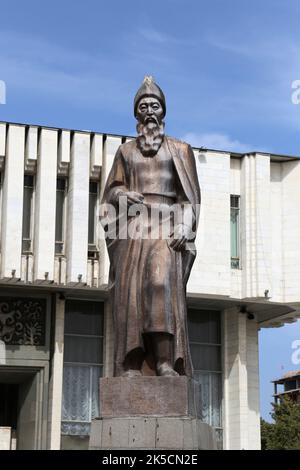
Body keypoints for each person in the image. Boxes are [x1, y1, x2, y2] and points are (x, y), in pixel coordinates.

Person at [100, 76, 200, 377]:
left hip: (166, 227)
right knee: (131, 296)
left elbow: (190, 196)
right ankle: (131, 362)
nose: (149, 111)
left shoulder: (180, 150)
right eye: (143, 106)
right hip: (134, 229)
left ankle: (165, 362)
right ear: (136, 114)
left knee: (160, 286)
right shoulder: (125, 152)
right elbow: (111, 192)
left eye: (155, 106)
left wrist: (185, 225)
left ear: (163, 111)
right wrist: (122, 194)